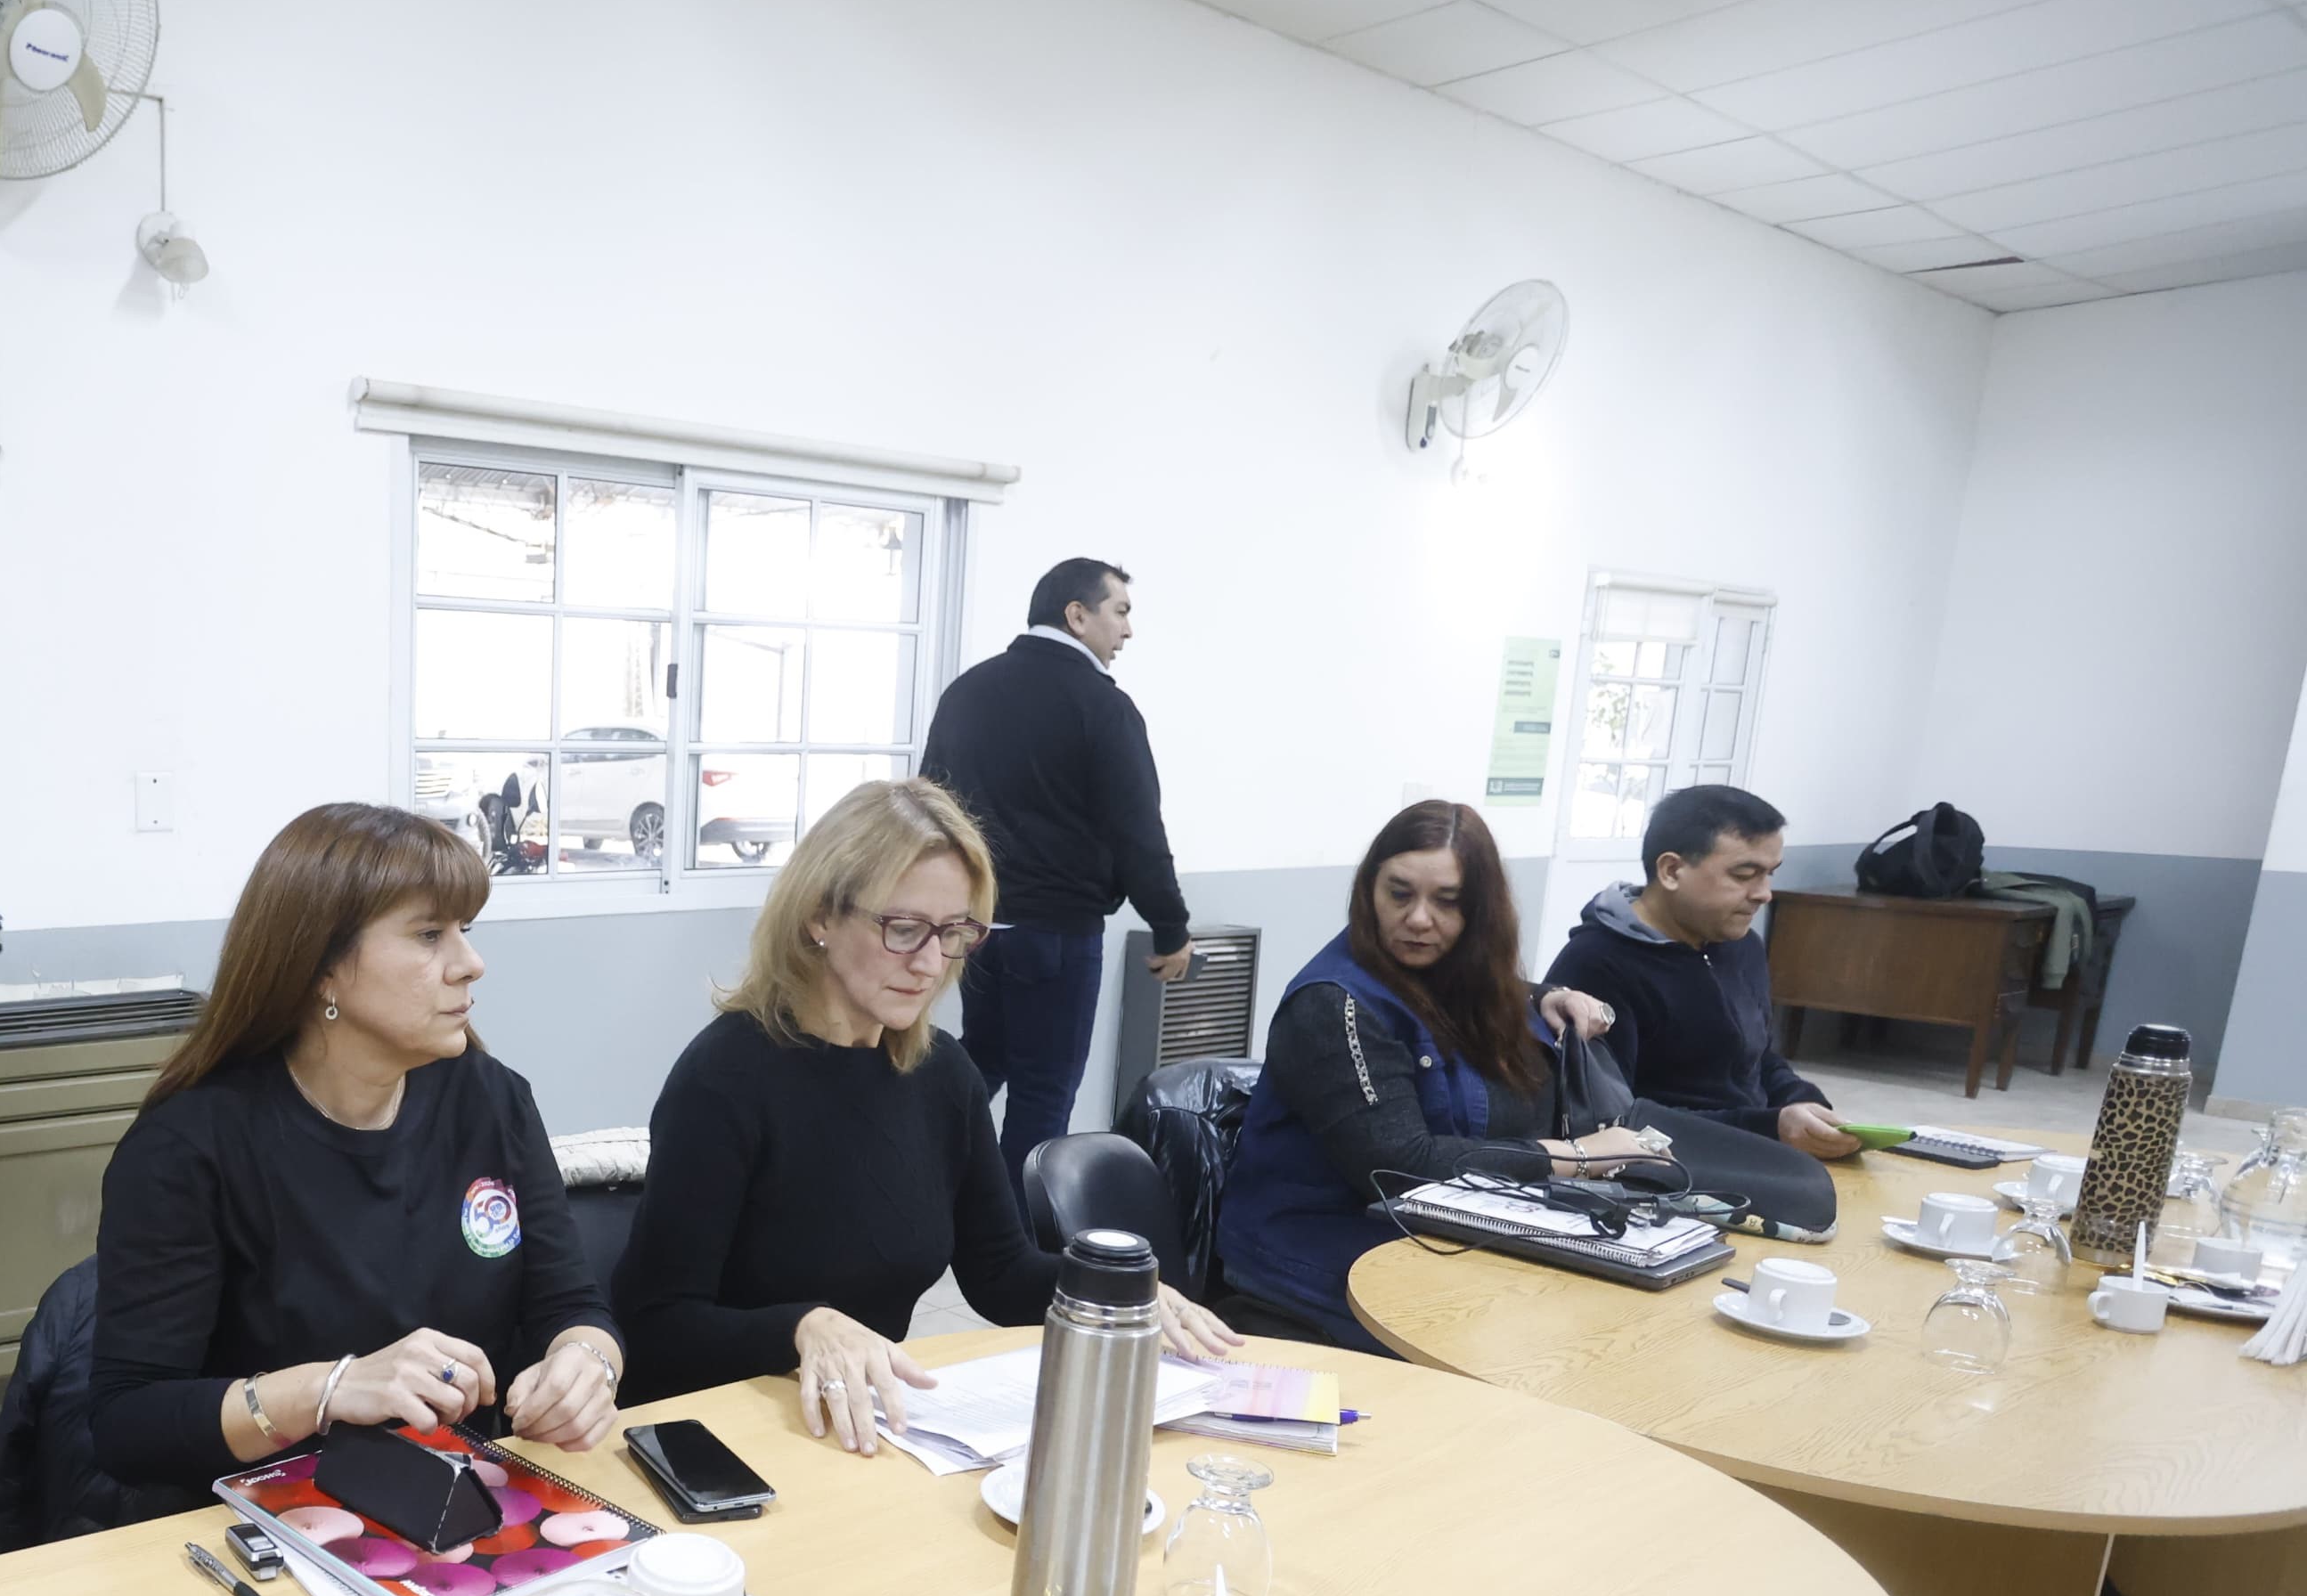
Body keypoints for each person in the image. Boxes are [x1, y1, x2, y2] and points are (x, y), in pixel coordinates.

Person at [615, 779, 1240, 1450]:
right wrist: (800, 1326)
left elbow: (999, 1275)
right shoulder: (724, 1080)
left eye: (954, 933)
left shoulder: (942, 1074)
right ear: (818, 917)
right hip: (723, 1434)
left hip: (860, 1432)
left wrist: (1114, 1290)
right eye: (903, 928)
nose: (930, 963)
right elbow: (655, 1326)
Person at [90, 802, 623, 1499]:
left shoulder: (491, 1100)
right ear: (322, 970)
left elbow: (573, 1305)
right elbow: (128, 1424)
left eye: (465, 930)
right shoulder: (189, 1147)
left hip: (457, 1507)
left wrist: (586, 1365)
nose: (471, 963)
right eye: (430, 934)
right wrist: (330, 1387)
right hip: (263, 1525)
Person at [1216, 801, 1645, 1353]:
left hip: (1450, 1246)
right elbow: (1401, 1167)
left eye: (1447, 901)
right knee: (1543, 1355)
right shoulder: (1334, 1006)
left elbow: (1485, 1000)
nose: (1419, 919)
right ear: (1369, 890)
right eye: (1399, 894)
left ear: (1479, 911)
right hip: (1323, 1263)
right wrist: (1576, 1156)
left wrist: (1550, 997)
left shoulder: (1464, 981)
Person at [919, 556, 1193, 1201]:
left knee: (984, 1058)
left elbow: (927, 807)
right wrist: (1171, 927)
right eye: (1120, 612)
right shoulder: (1103, 705)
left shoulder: (967, 691)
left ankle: (905, 1167)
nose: (1127, 631)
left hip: (976, 926)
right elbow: (1137, 830)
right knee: (1044, 1091)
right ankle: (1016, 1238)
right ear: (1077, 614)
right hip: (1057, 934)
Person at [1541, 784, 1857, 1159]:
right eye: (1745, 874)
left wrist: (1802, 1102)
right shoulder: (1596, 964)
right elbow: (1610, 1120)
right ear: (1672, 870)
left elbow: (1758, 1058)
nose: (1764, 893)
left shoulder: (1742, 947)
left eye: (1770, 873)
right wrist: (1770, 1128)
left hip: (1757, 1150)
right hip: (1667, 1170)